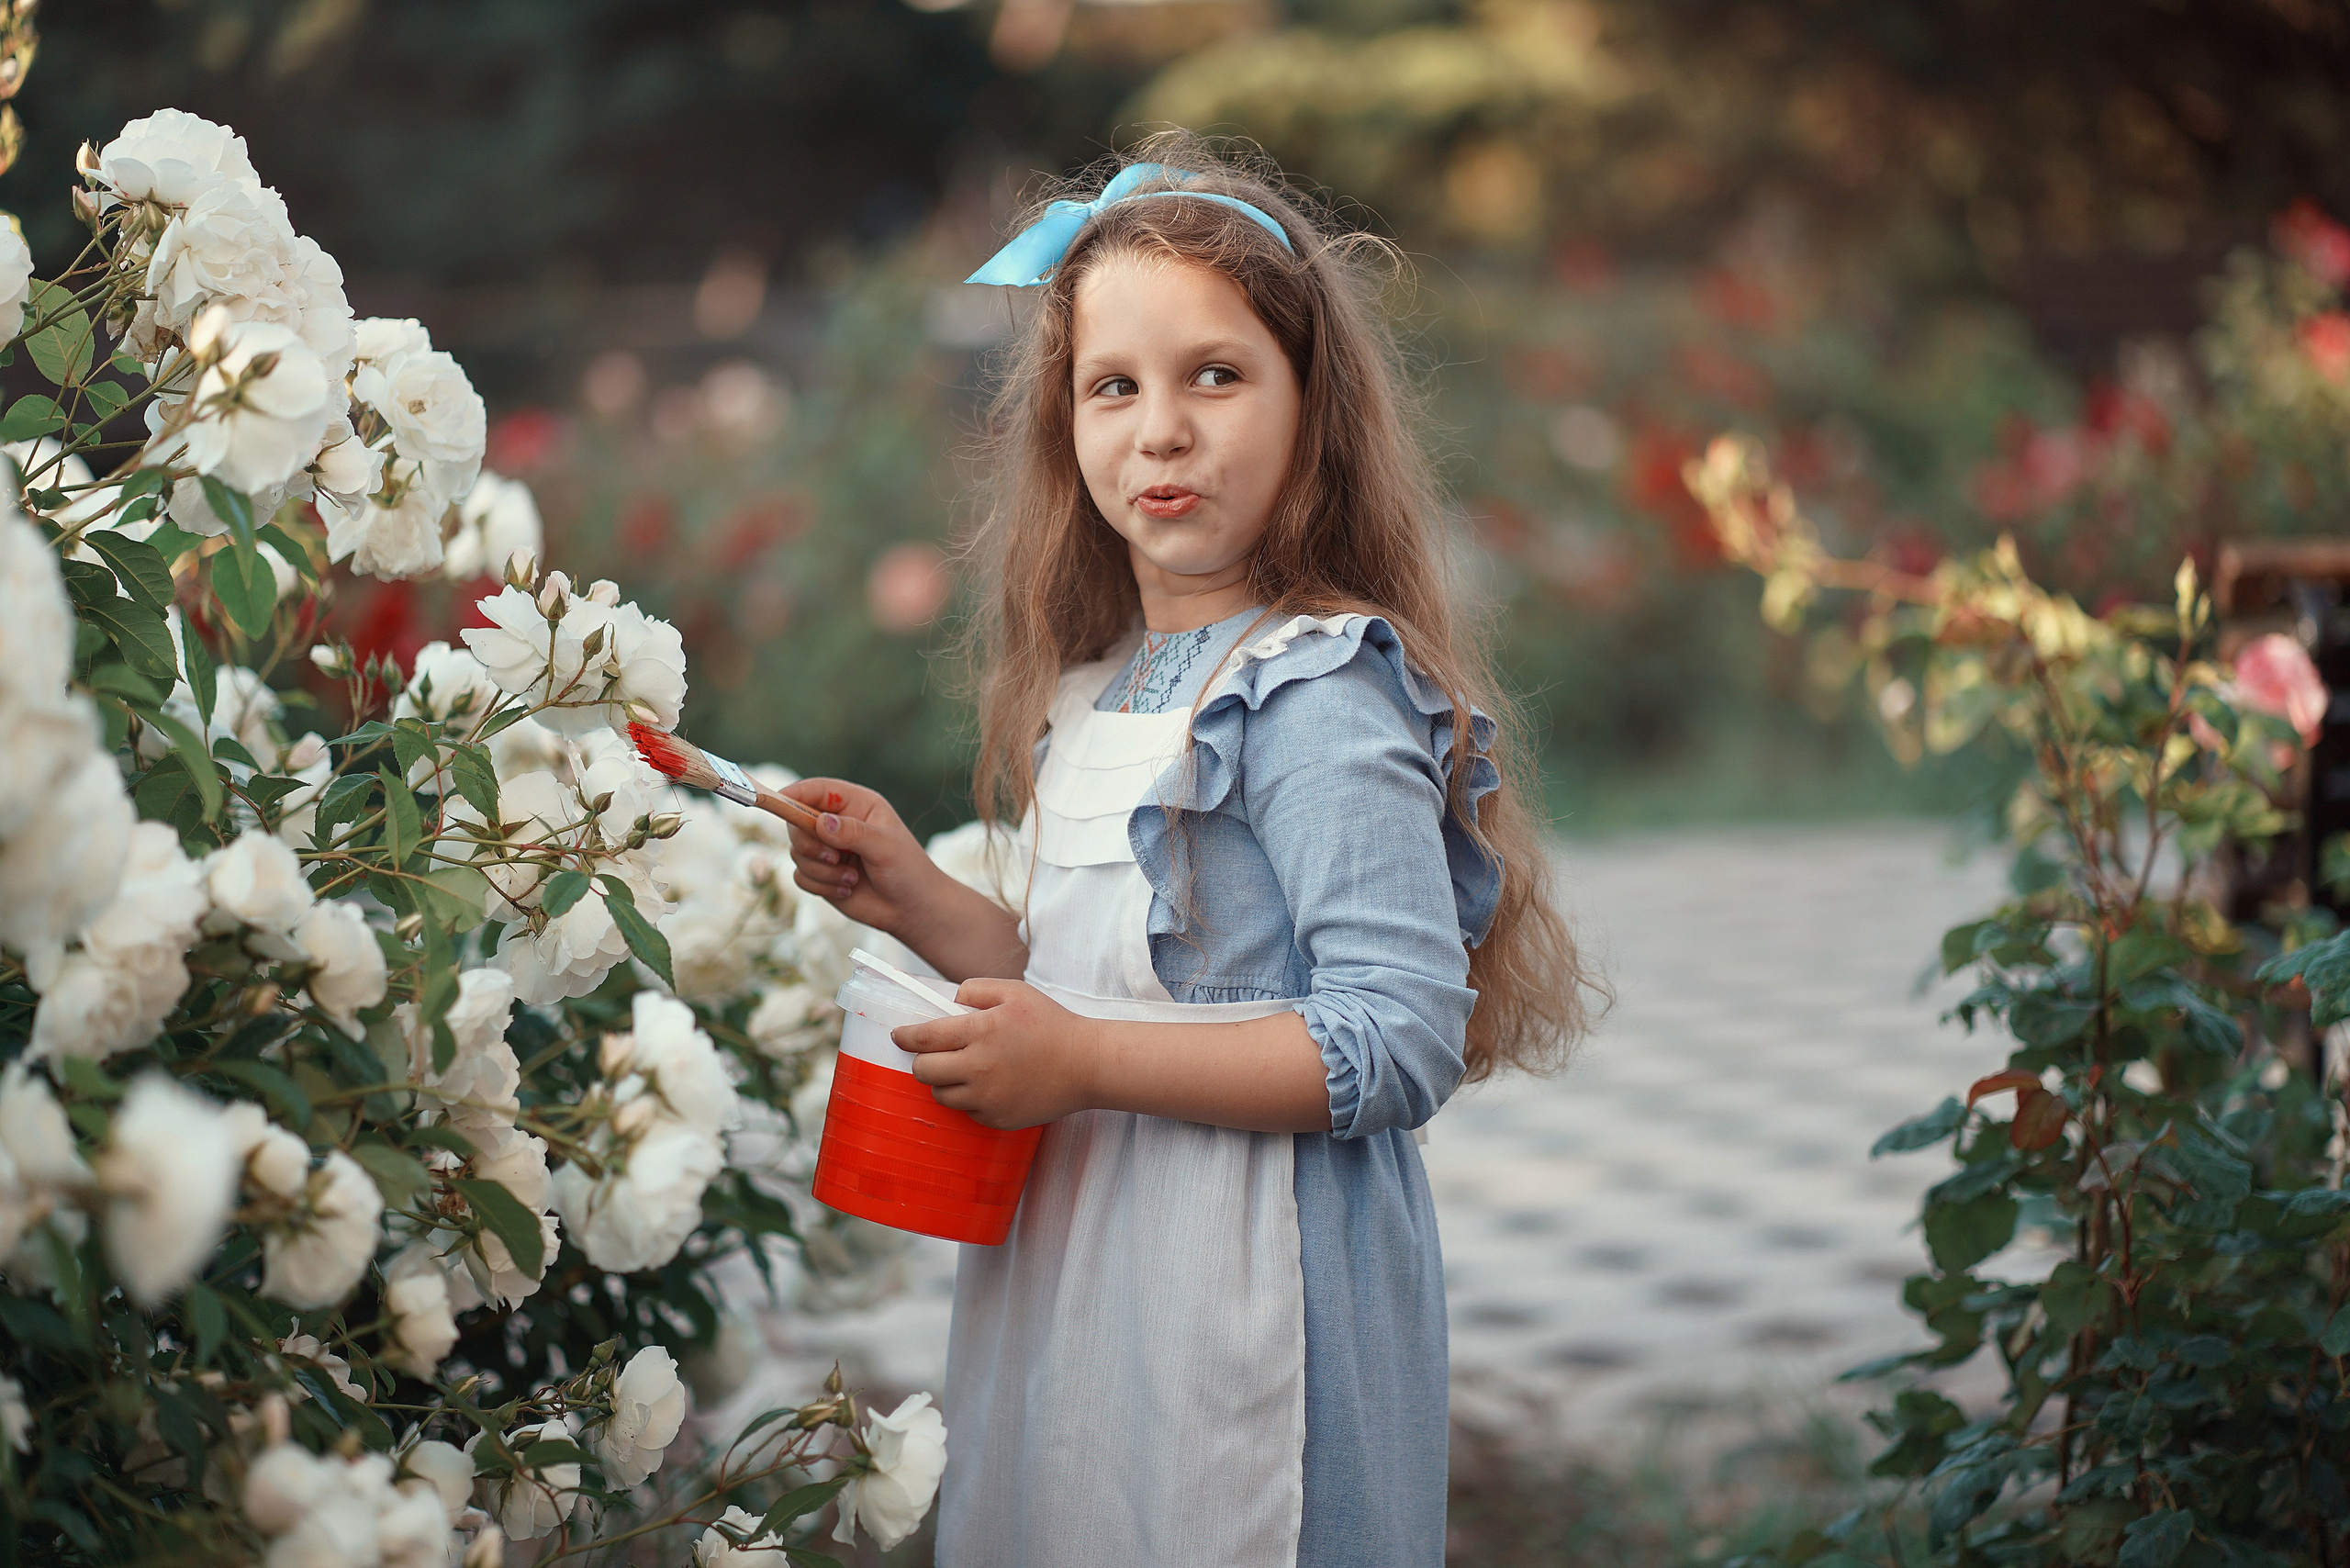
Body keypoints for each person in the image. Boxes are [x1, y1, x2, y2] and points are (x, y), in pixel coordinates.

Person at [780, 135, 1595, 1568]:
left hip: (1250, 1286)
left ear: (1312, 411)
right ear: (1066, 427)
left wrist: (1082, 1065)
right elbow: (1086, 973)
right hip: (1084, 1272)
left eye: (1214, 375)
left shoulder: (1320, 691)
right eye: (1116, 386)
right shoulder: (1103, 683)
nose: (1160, 428)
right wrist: (912, 895)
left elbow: (1394, 1038)